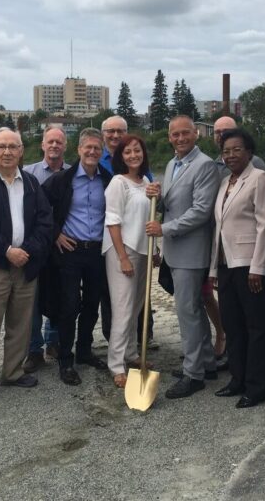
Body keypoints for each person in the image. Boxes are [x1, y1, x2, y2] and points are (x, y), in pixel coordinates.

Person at [0, 128, 53, 402]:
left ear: (21, 151)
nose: (7, 152)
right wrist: (6, 251)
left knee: (21, 322)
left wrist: (26, 251)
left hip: (25, 264)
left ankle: (13, 372)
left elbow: (44, 222)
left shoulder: (30, 183)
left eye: (12, 147)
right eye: (1, 146)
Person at [146, 115, 219, 399]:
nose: (180, 138)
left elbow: (201, 211)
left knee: (186, 312)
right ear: (169, 137)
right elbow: (174, 203)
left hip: (191, 251)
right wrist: (158, 197)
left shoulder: (205, 165)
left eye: (185, 133)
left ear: (196, 134)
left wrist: (163, 229)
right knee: (194, 310)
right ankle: (206, 363)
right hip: (177, 252)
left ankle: (193, 374)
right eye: (175, 134)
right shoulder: (172, 164)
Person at [209, 129, 265, 408]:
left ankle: (257, 385)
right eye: (226, 151)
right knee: (233, 325)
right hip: (226, 263)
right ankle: (237, 378)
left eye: (237, 149)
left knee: (256, 326)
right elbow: (220, 228)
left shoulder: (259, 178)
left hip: (251, 265)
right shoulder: (225, 182)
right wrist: (213, 268)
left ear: (249, 152)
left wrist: (258, 267)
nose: (231, 155)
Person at [42, 128, 113, 386]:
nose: (92, 152)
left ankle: (84, 350)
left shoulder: (108, 179)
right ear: (79, 150)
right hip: (69, 251)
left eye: (97, 148)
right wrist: (55, 234)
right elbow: (39, 207)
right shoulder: (63, 179)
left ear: (102, 151)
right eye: (88, 148)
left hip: (97, 251)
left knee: (92, 303)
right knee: (69, 305)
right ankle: (65, 358)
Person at [103, 135, 152, 388]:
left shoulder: (145, 182)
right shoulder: (118, 183)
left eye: (137, 150)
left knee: (136, 307)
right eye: (128, 152)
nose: (133, 155)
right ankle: (116, 364)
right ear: (120, 157)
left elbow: (151, 218)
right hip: (122, 250)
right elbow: (112, 221)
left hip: (142, 249)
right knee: (122, 309)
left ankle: (131, 354)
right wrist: (122, 257)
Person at [22, 126, 70, 373]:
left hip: (63, 247)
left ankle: (54, 342)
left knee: (58, 295)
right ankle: (34, 350)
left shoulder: (73, 173)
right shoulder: (27, 174)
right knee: (33, 298)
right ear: (42, 145)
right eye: (50, 141)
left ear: (65, 146)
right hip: (35, 246)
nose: (54, 146)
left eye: (59, 142)